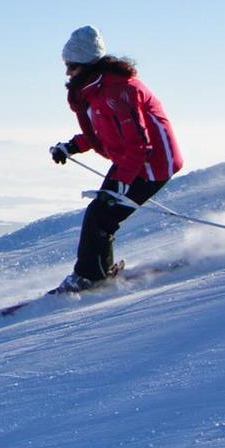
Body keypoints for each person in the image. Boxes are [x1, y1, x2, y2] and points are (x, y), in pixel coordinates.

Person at [47, 25, 183, 292]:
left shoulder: (119, 91)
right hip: (132, 161)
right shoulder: (97, 90)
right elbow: (105, 132)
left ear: (86, 65)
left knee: (101, 213)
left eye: (71, 66)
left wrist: (121, 183)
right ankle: (98, 272)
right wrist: (71, 147)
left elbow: (138, 144)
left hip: (154, 164)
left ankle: (89, 277)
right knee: (102, 213)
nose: (66, 72)